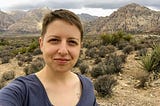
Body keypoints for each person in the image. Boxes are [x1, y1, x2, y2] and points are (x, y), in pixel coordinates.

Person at [0, 9, 98, 106]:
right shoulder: (21, 92)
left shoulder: (87, 86)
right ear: (41, 44)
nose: (63, 51)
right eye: (54, 40)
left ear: (80, 47)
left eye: (72, 42)